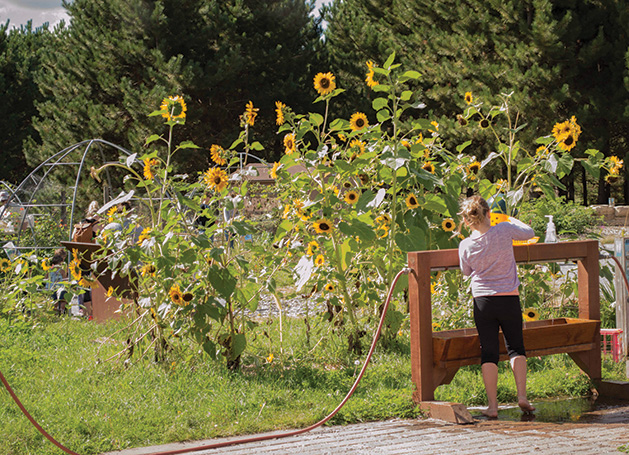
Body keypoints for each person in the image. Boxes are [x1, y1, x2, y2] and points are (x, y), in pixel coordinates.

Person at [457, 195, 536, 418]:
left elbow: (466, 271)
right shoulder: (503, 230)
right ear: (489, 213)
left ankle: (492, 406)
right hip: (509, 297)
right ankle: (522, 396)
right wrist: (509, 218)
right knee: (516, 348)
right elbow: (529, 233)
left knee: (489, 352)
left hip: (483, 300)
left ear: (467, 220)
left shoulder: (466, 244)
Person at [46, 248, 68, 315]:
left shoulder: (50, 269)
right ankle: (61, 312)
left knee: (54, 301)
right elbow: (64, 279)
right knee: (63, 300)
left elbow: (46, 277)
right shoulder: (61, 270)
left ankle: (54, 313)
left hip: (51, 287)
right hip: (59, 287)